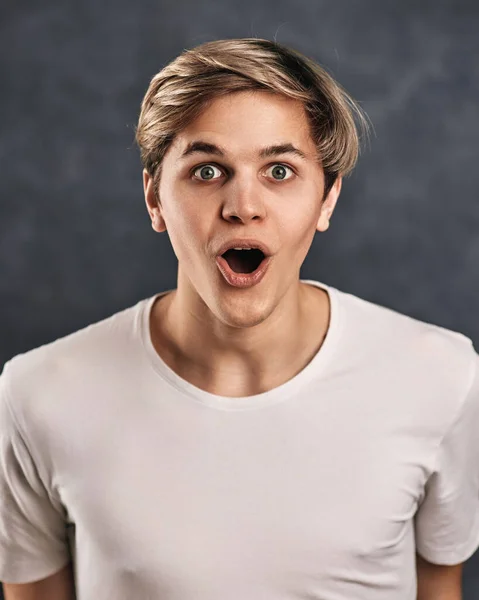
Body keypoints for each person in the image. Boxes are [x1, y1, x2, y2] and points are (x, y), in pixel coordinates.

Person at [1, 38, 478, 600]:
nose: (243, 205)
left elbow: (440, 587)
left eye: (279, 170)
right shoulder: (38, 395)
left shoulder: (441, 377)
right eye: (207, 171)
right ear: (155, 196)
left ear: (327, 200)